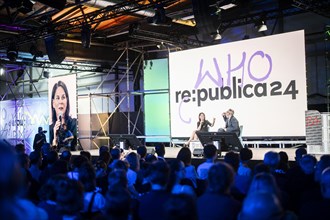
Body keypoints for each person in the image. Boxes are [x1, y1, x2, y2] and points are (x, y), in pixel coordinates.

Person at [50, 80, 77, 151]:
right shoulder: (50, 129)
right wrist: (55, 138)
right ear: (53, 103)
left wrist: (67, 139)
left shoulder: (75, 124)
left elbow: (73, 140)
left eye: (63, 97)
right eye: (57, 98)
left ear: (67, 101)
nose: (61, 102)